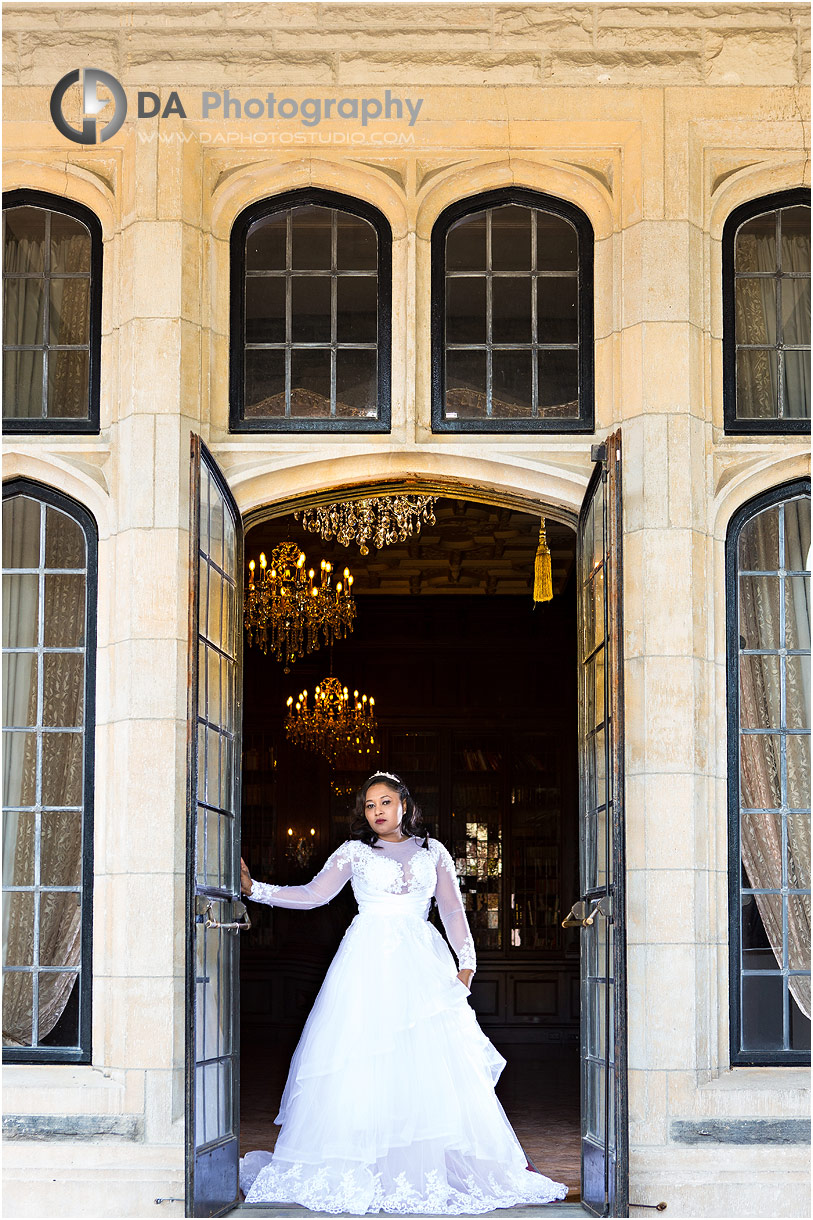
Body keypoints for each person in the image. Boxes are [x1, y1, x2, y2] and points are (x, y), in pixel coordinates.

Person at [239, 771, 568, 1215]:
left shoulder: (434, 852)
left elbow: (451, 908)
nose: (376, 811)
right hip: (366, 966)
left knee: (427, 1061)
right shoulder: (353, 852)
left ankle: (422, 1166)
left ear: (405, 806)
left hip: (422, 963)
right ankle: (362, 1166)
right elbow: (315, 895)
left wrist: (467, 963)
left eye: (385, 802)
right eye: (370, 805)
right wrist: (255, 889)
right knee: (363, 1059)